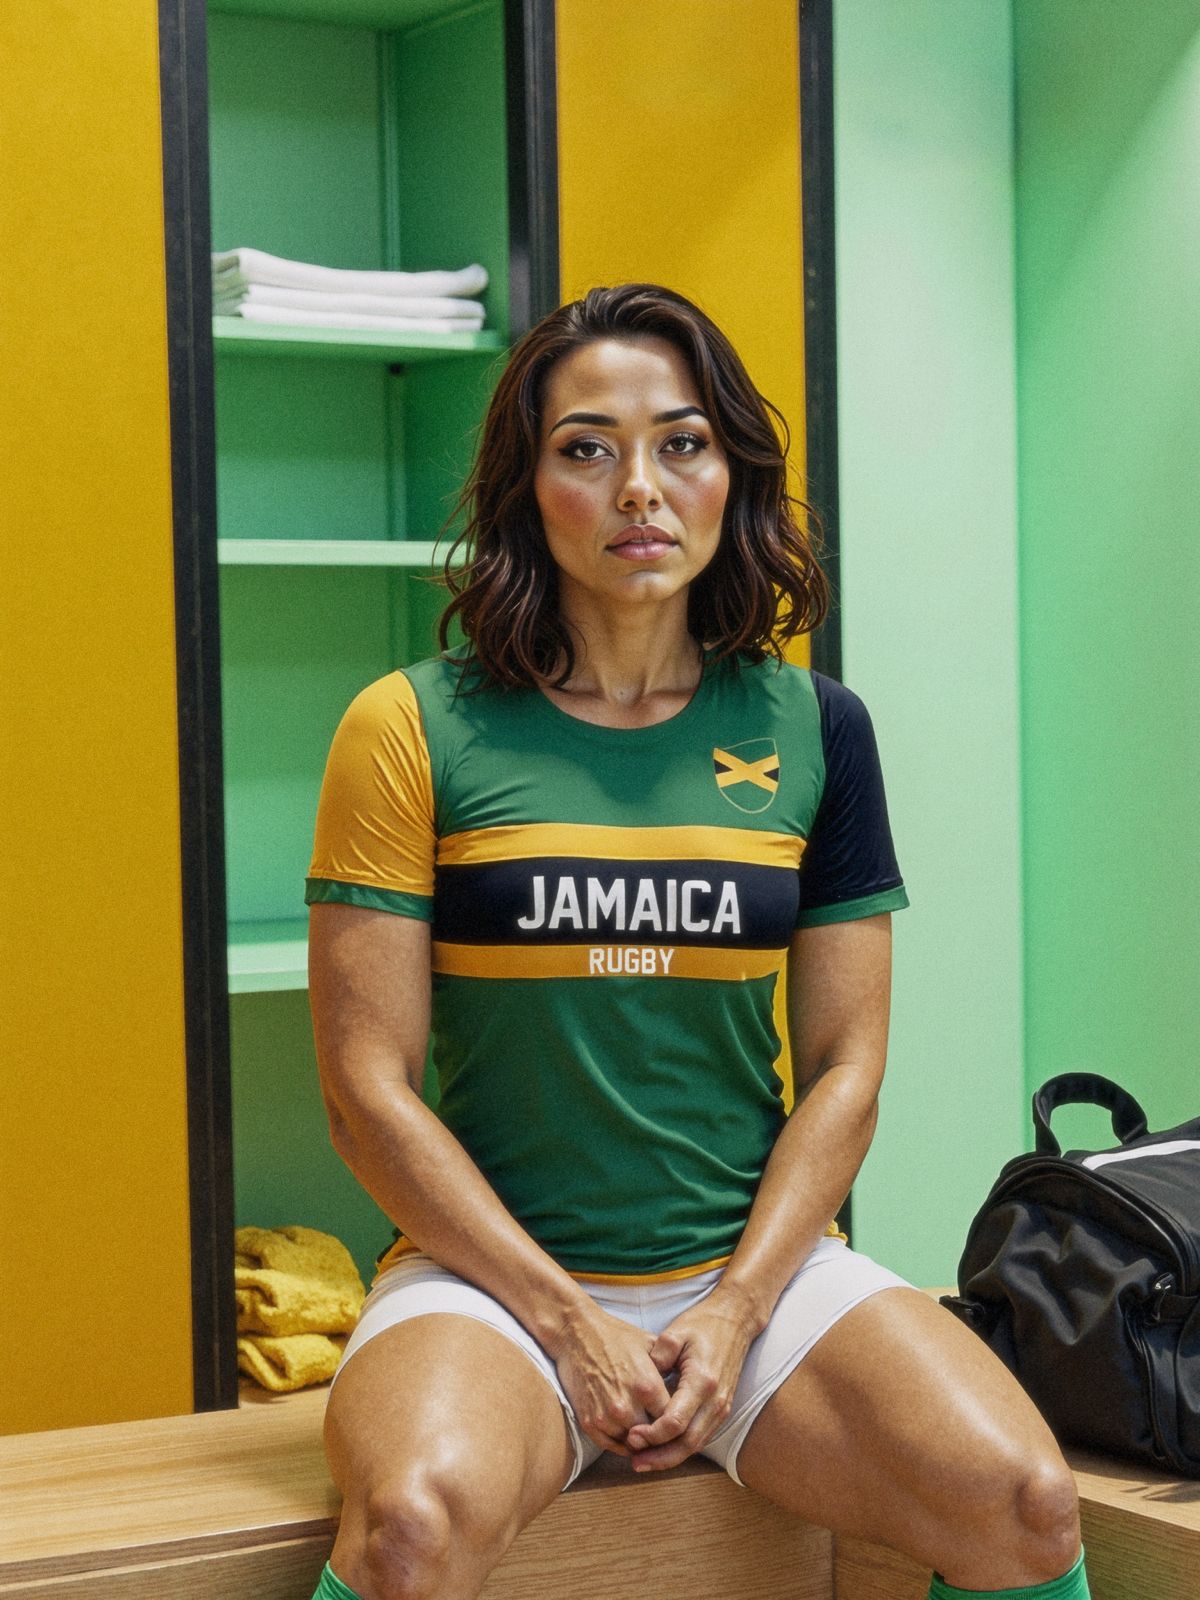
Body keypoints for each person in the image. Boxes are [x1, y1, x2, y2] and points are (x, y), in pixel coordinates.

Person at [302, 283, 1091, 1600]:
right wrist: (568, 1321)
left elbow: (847, 1066)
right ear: (526, 487)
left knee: (1027, 1503)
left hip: (758, 1282)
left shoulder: (816, 726)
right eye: (586, 448)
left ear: (731, 472)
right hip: (494, 1289)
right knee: (412, 1529)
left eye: (682, 442)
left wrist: (732, 1309)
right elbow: (363, 1090)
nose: (640, 489)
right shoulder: (410, 726)